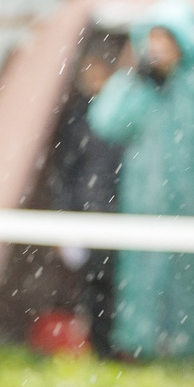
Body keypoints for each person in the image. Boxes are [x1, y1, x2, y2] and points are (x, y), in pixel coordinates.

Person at [86, 0, 194, 360]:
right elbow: (106, 123)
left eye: (165, 39)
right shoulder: (140, 88)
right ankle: (146, 345)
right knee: (145, 279)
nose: (157, 48)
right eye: (152, 39)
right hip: (145, 204)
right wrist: (131, 80)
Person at [49, 49, 126, 356]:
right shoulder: (76, 119)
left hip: (122, 208)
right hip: (90, 209)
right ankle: (102, 347)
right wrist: (62, 217)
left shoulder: (124, 115)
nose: (94, 80)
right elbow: (66, 171)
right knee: (96, 283)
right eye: (88, 74)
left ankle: (126, 345)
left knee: (122, 280)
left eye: (99, 73)